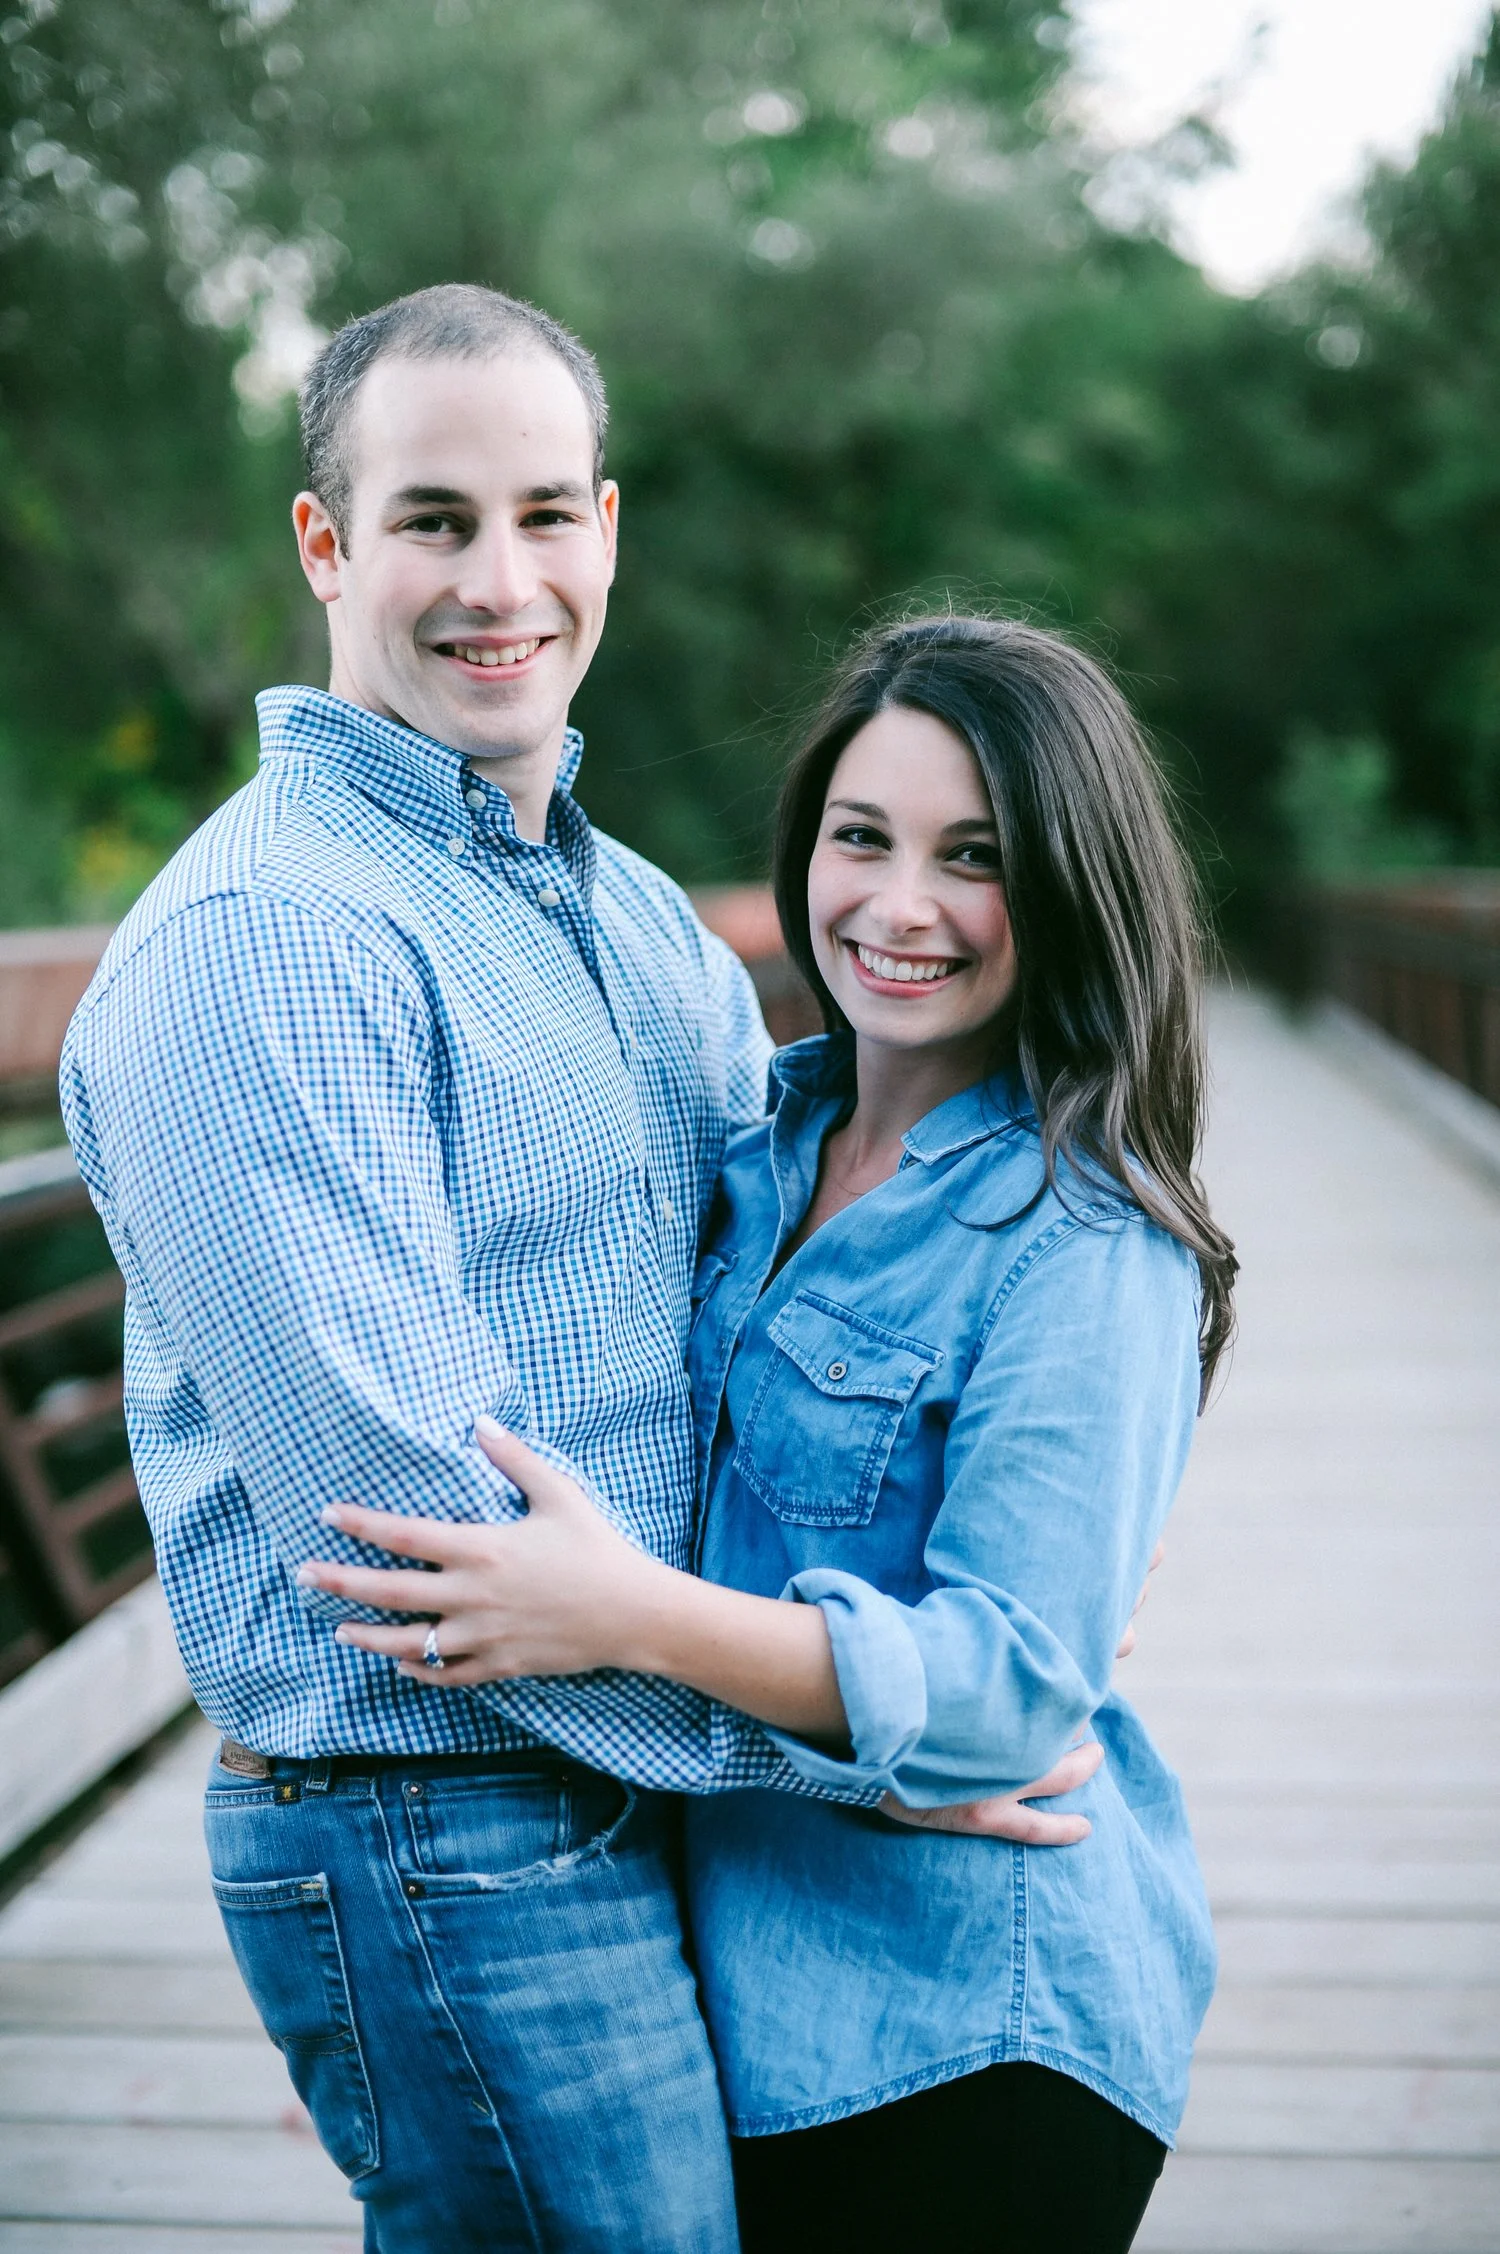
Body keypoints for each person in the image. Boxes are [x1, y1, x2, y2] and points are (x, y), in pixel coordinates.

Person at [60, 289, 1093, 2253]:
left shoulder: (631, 922)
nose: (499, 580)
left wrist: (1005, 1546)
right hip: (442, 1818)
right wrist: (871, 1730)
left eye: (545, 513)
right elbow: (432, 1549)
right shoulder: (270, 942)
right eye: (433, 519)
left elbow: (788, 1300)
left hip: (638, 1767)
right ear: (325, 545)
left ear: (607, 531)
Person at [313, 614, 1237, 2253]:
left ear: (1072, 887)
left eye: (975, 856)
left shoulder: (1086, 1236)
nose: (901, 904)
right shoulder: (758, 1144)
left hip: (967, 2026)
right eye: (861, 837)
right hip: (739, 2001)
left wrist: (623, 1615)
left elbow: (1010, 1692)